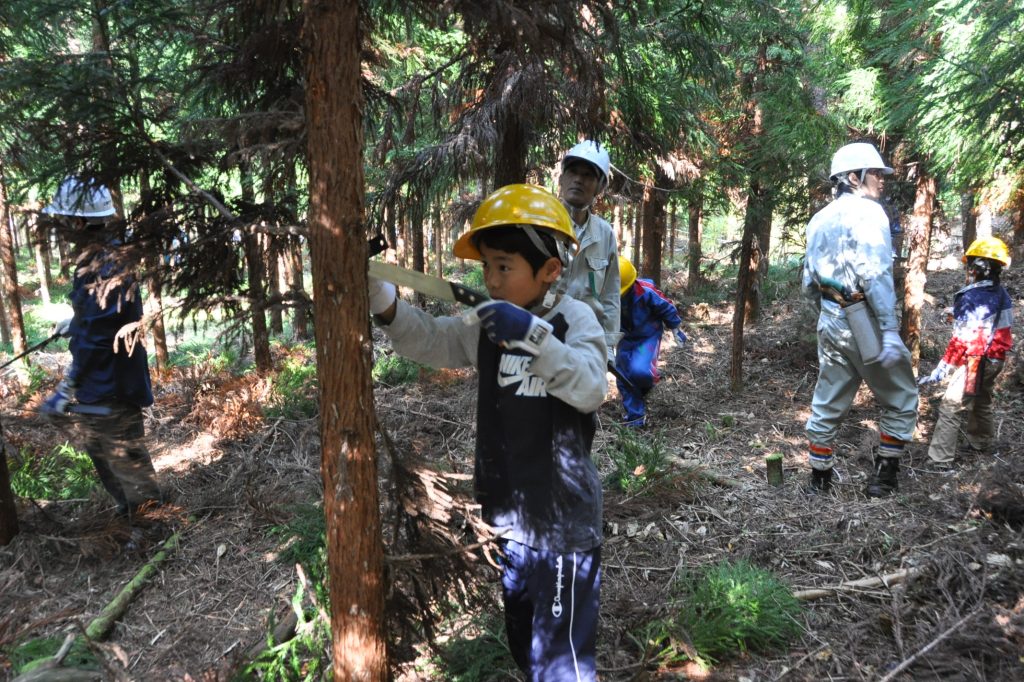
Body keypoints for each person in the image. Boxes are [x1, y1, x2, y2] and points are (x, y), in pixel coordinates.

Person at [369, 184, 606, 680]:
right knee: (523, 639)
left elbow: (589, 389)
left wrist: (531, 335)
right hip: (506, 515)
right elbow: (433, 340)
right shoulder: (486, 325)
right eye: (487, 267)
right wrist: (383, 300)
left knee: (559, 658)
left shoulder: (572, 321)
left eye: (505, 267)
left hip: (561, 521)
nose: (493, 281)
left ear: (549, 271)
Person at [39, 177, 162, 518]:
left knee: (126, 460)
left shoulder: (106, 267)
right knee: (101, 450)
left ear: (78, 223)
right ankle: (130, 514)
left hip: (112, 384)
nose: (60, 229)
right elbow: (97, 322)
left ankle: (152, 527)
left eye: (63, 221)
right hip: (100, 387)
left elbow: (97, 341)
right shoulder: (97, 259)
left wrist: (66, 387)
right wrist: (75, 323)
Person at [801, 142, 919, 497]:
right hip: (864, 319)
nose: (882, 181)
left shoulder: (819, 218)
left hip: (831, 317)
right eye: (876, 174)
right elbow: (876, 274)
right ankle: (883, 480)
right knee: (901, 397)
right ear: (854, 177)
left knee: (828, 401)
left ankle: (818, 482)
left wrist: (826, 315)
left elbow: (808, 281)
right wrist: (887, 328)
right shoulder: (870, 214)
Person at [919, 237, 1013, 465]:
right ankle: (982, 441)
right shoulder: (1002, 294)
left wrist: (942, 369)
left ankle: (940, 459)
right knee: (982, 399)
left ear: (975, 268)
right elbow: (992, 324)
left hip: (975, 361)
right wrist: (958, 314)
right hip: (996, 359)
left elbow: (963, 341)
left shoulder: (970, 297)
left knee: (951, 405)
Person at [555, 140, 621, 365]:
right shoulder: (542, 223)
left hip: (586, 342)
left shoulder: (604, 233)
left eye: (588, 175)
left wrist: (609, 345)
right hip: (544, 337)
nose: (579, 180)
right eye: (573, 172)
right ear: (562, 178)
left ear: (600, 187)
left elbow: (610, 294)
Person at [614, 256, 687, 428]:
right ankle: (635, 416)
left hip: (648, 337)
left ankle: (645, 386)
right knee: (622, 375)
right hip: (624, 337)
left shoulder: (646, 291)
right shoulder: (610, 295)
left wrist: (675, 327)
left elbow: (666, 306)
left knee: (639, 371)